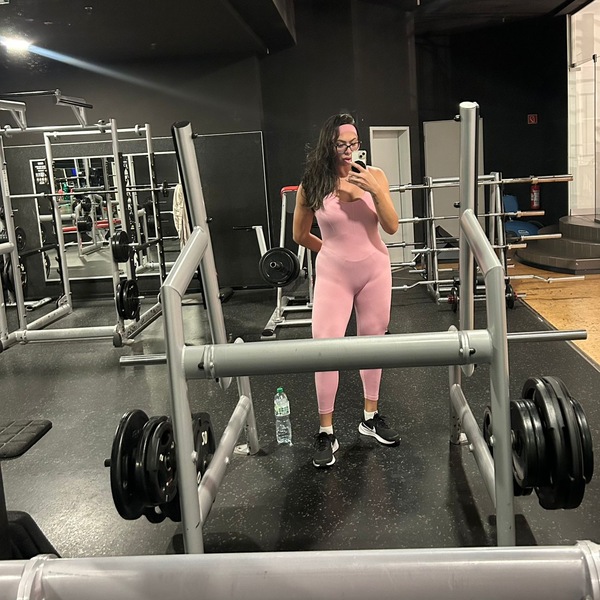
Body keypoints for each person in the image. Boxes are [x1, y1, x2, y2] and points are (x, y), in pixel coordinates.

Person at [292, 113, 400, 468]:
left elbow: (392, 226)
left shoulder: (375, 176)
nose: (349, 150)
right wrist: (332, 253)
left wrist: (374, 190)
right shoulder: (313, 184)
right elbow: (300, 235)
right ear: (329, 145)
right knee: (325, 347)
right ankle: (326, 430)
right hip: (334, 275)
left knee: (373, 342)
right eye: (342, 144)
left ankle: (370, 417)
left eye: (354, 143)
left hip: (375, 270)